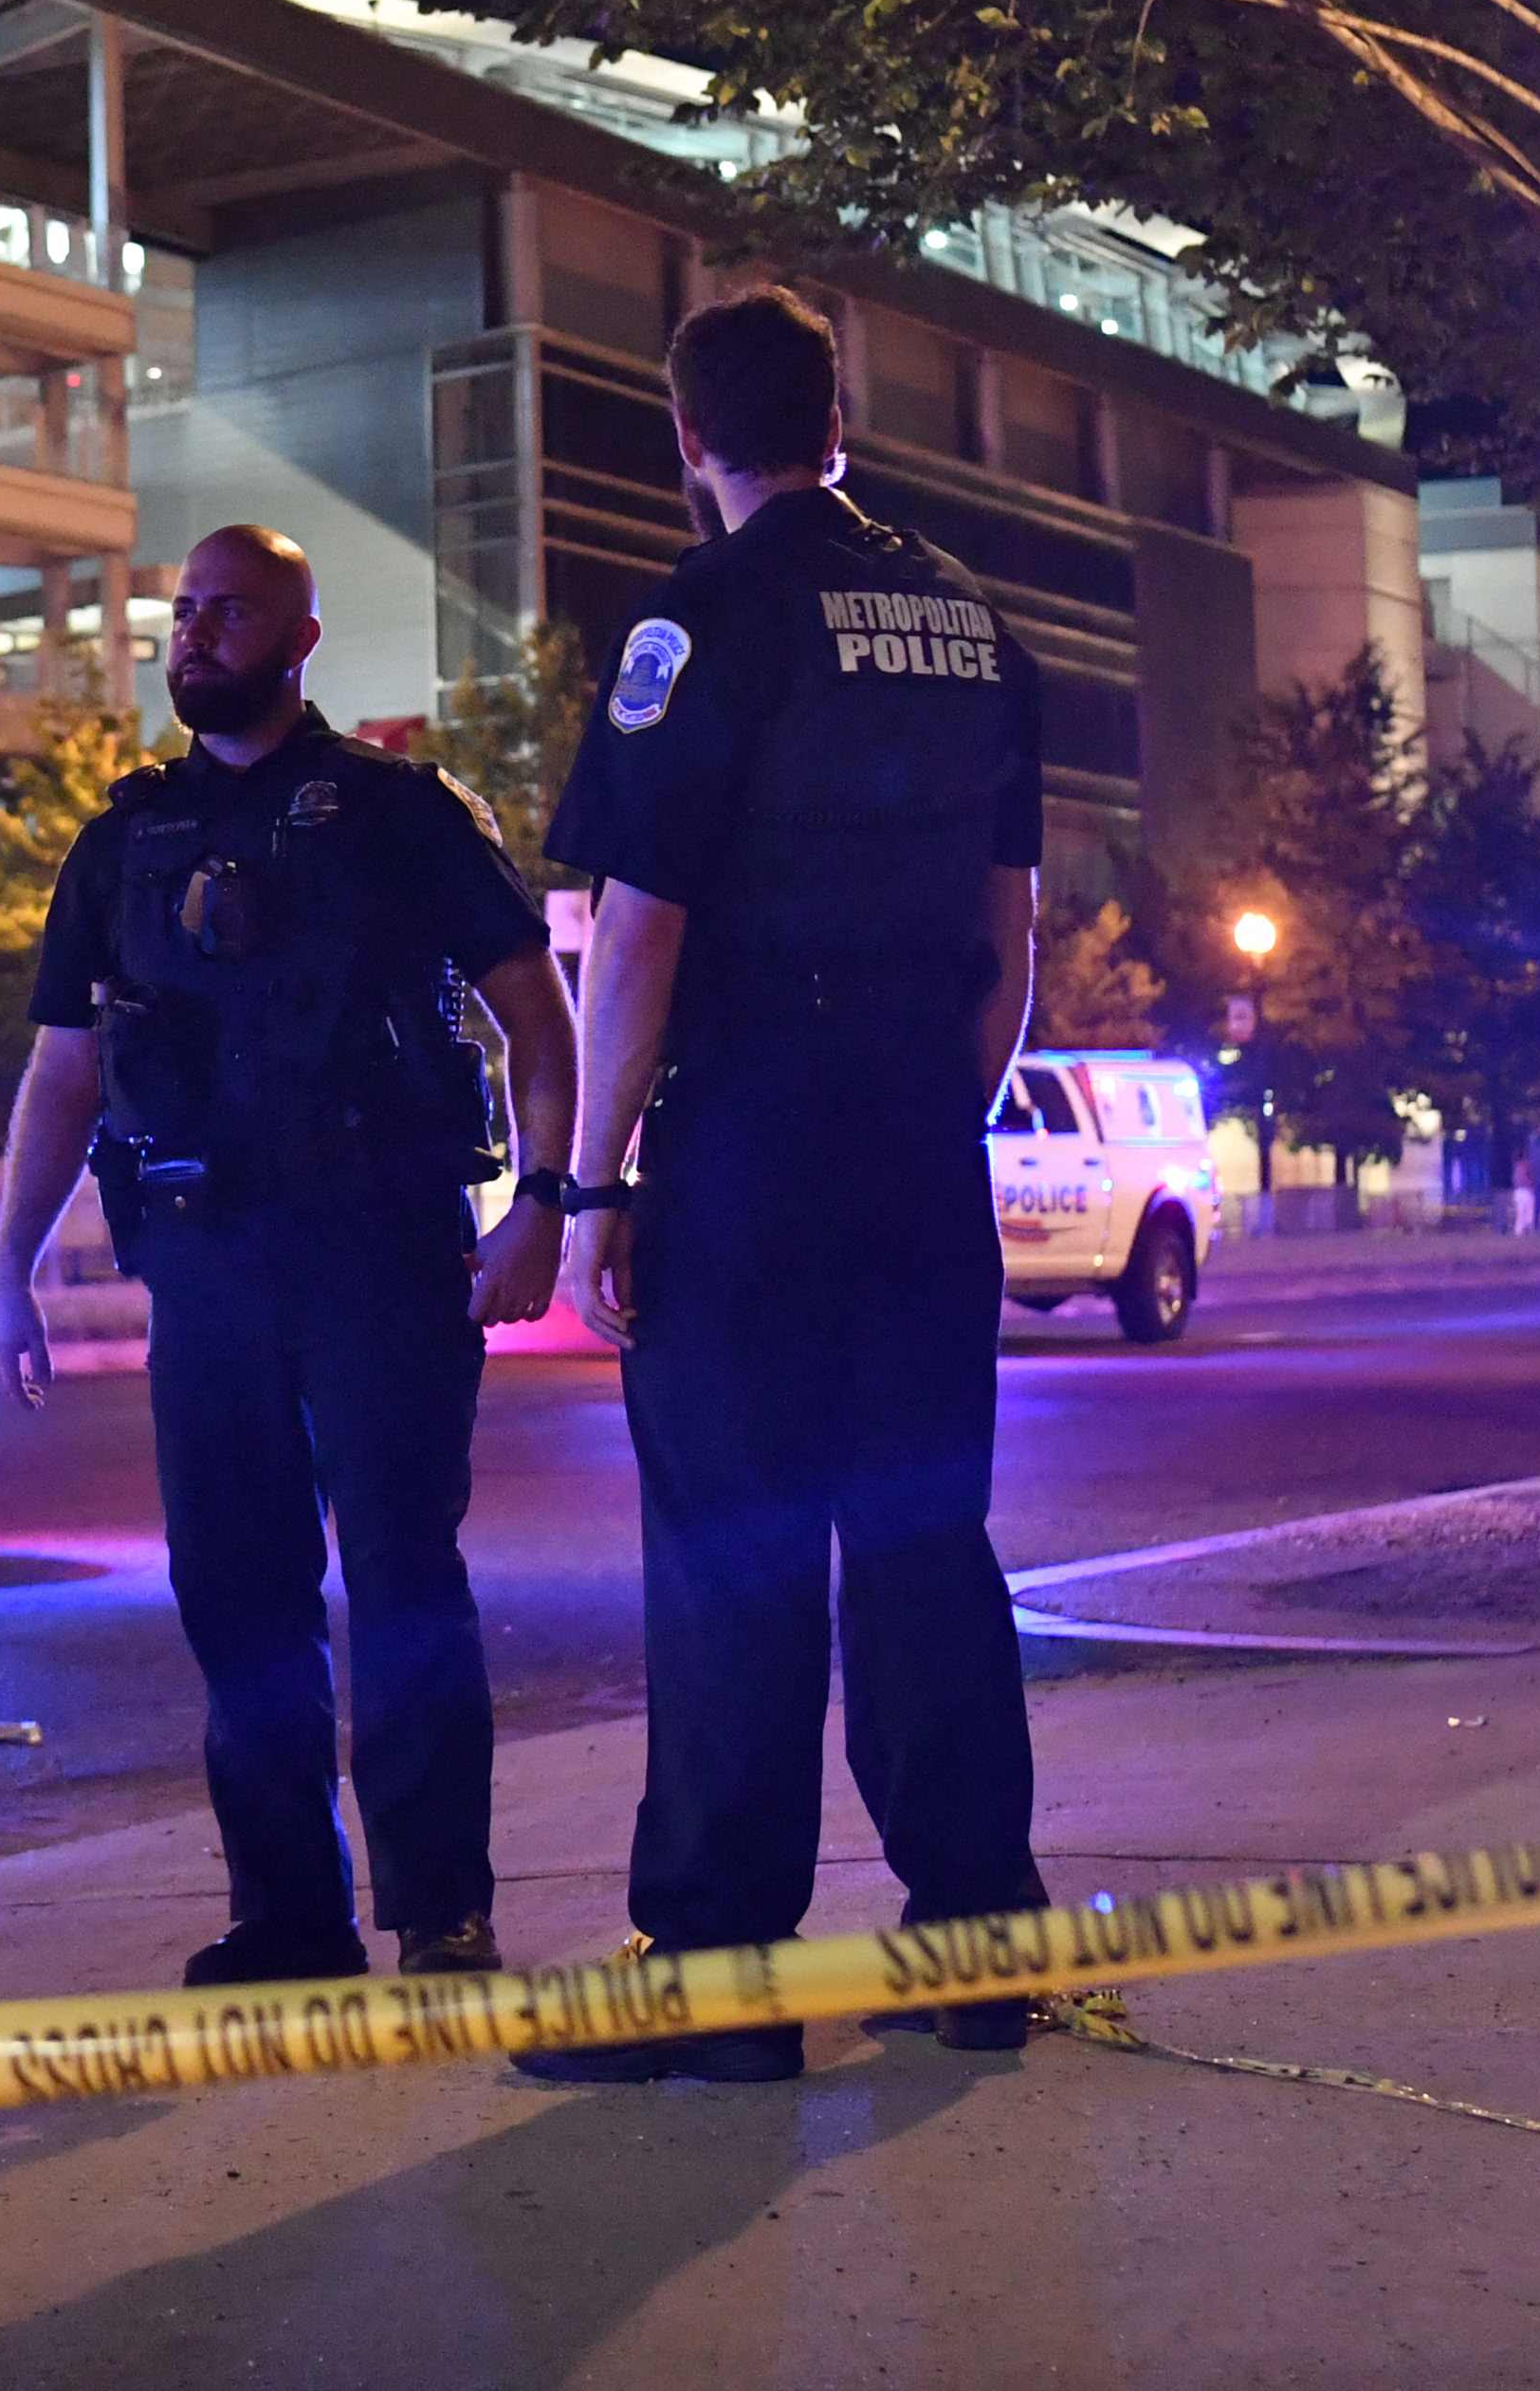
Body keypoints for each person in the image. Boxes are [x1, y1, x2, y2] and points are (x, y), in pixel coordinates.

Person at [512, 286, 1054, 2087]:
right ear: (838, 417)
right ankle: (976, 1943)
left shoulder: (703, 614)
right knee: (920, 1535)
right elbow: (1008, 924)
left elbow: (639, 927)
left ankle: (721, 1983)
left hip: (753, 1130)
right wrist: (937, 1102)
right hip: (914, 1129)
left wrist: (591, 1188)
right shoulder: (972, 620)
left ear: (687, 438)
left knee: (731, 1546)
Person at [0, 524, 582, 1987]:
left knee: (400, 1583)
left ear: (301, 638)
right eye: (182, 613)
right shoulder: (124, 840)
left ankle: (441, 1913)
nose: (194, 636)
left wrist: (544, 1207)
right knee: (238, 1598)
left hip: (379, 1256)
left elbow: (537, 1020)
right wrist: (6, 1270)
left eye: (229, 613)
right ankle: (289, 1920)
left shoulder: (400, 812)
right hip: (206, 1269)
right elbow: (64, 1072)